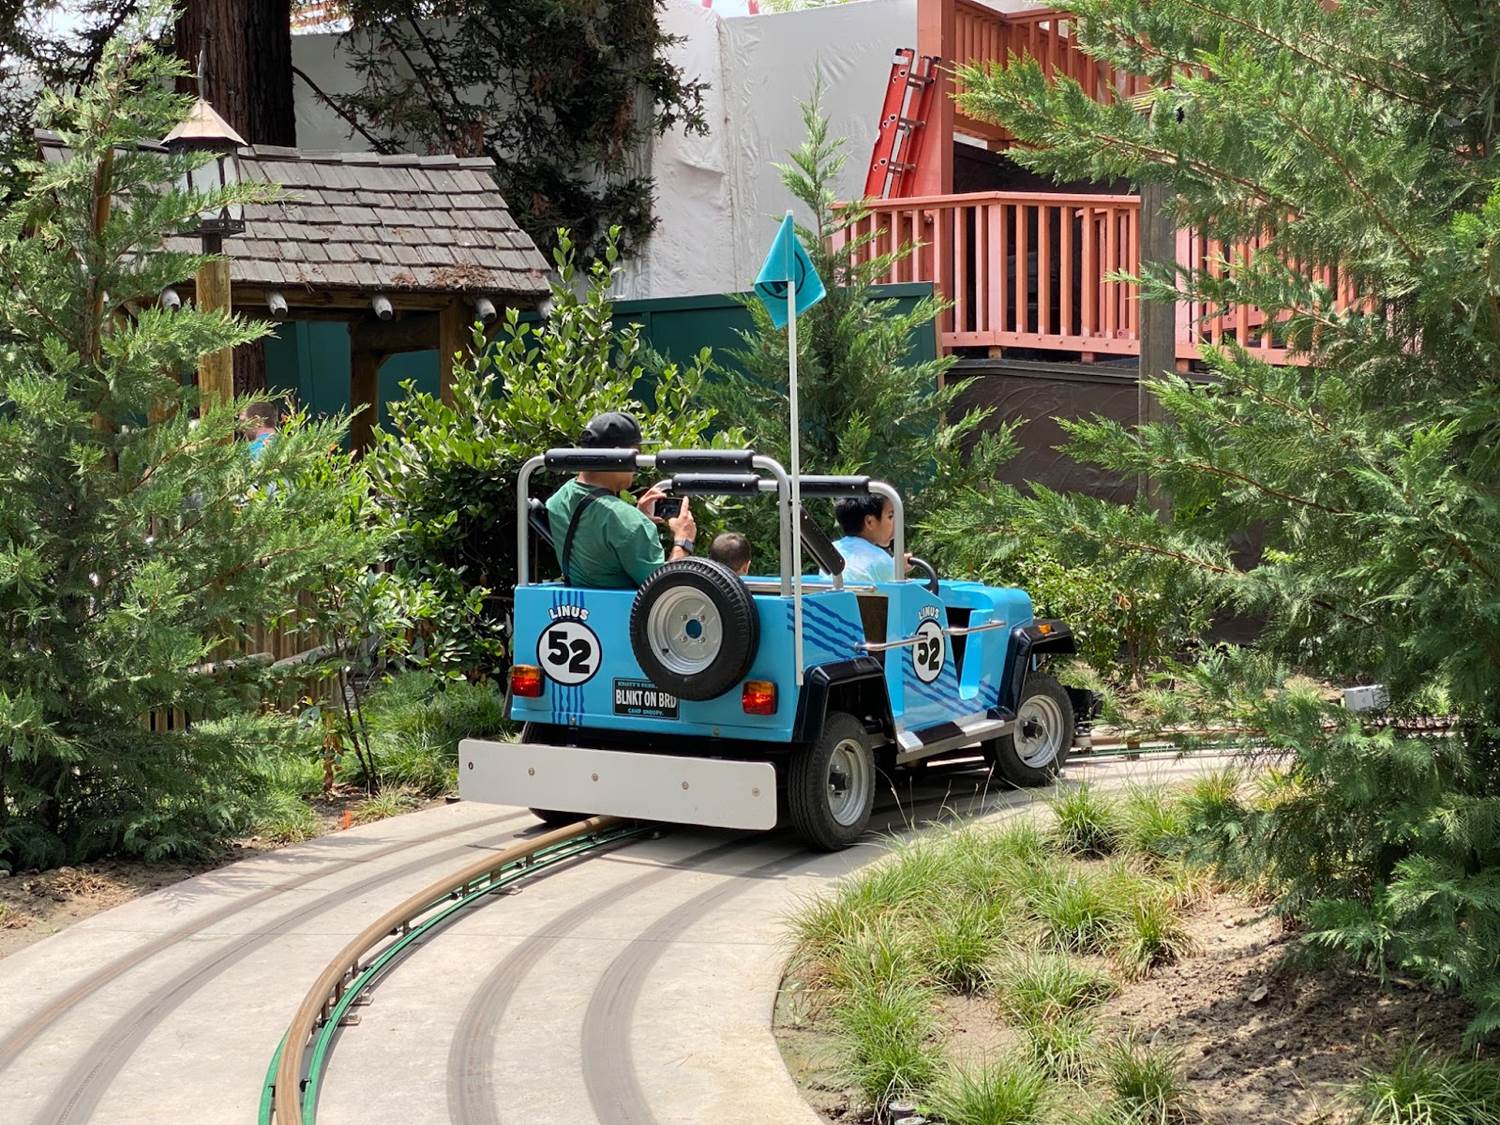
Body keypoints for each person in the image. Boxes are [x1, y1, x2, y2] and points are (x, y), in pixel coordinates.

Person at [546, 410, 697, 588]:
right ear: (622, 456)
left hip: (577, 603)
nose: (638, 465)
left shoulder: (557, 501)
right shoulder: (629, 523)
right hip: (625, 606)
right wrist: (683, 541)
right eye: (638, 454)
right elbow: (664, 588)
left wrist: (636, 516)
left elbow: (598, 536)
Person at [830, 494, 909, 585]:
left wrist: (894, 566)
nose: (895, 523)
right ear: (869, 522)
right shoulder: (880, 559)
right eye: (890, 516)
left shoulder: (832, 551)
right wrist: (892, 567)